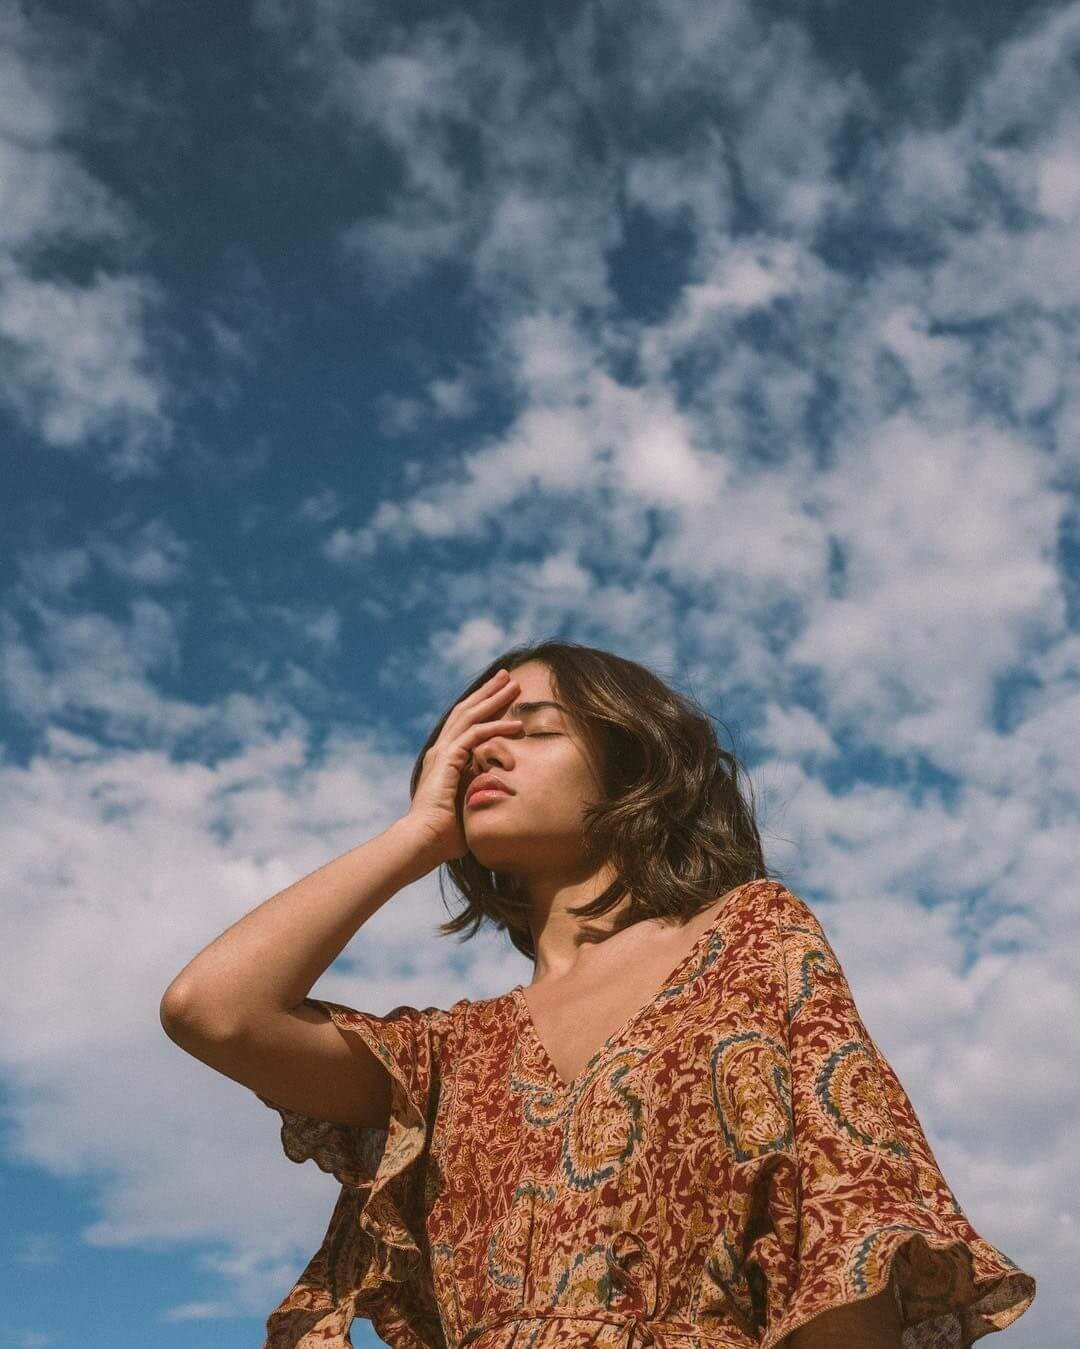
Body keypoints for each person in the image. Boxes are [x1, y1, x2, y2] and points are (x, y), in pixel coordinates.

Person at [160, 640, 1036, 1349]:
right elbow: (216, 1011)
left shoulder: (750, 940)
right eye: (465, 742)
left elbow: (843, 1241)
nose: (482, 751)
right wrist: (418, 834)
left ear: (632, 762)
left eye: (532, 728)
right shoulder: (450, 1055)